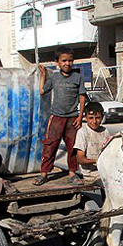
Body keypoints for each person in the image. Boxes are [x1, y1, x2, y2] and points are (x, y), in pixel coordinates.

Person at [33, 46, 87, 186]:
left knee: (72, 147)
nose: (67, 63)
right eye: (64, 61)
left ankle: (72, 173)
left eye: (70, 60)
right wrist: (44, 75)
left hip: (72, 118)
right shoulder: (55, 77)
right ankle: (44, 173)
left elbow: (82, 97)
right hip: (56, 117)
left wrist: (80, 117)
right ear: (57, 62)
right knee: (50, 145)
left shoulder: (78, 77)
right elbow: (42, 90)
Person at [74, 101, 111, 184]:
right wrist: (97, 161)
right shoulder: (83, 132)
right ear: (85, 118)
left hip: (105, 171)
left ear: (102, 117)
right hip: (92, 174)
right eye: (91, 118)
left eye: (97, 118)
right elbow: (80, 159)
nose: (94, 121)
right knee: (112, 185)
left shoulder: (105, 131)